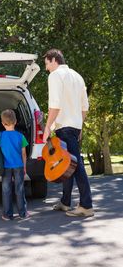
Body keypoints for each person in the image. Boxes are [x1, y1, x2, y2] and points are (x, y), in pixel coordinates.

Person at [43, 49, 94, 217]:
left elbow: (55, 106)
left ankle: (86, 205)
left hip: (64, 127)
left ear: (53, 60)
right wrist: (79, 126)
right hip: (74, 126)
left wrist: (47, 127)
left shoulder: (55, 75)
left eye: (46, 64)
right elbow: (84, 107)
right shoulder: (77, 76)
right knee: (67, 165)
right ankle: (65, 202)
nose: (46, 68)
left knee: (76, 165)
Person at [0, 109, 29, 221]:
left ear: (3, 123)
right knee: (19, 189)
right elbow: (24, 153)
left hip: (6, 167)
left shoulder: (0, 136)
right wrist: (24, 167)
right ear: (16, 122)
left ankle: (7, 215)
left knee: (6, 190)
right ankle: (22, 213)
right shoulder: (20, 136)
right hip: (18, 166)